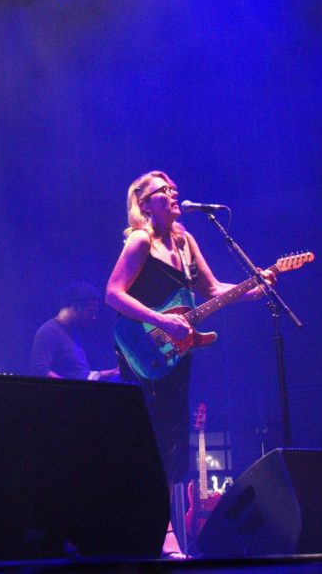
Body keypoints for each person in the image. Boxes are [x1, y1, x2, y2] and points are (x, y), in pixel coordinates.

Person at [104, 170, 274, 555]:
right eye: (165, 190)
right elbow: (113, 294)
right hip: (142, 346)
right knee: (153, 438)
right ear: (145, 203)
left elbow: (213, 291)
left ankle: (167, 531)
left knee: (175, 441)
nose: (174, 193)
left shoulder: (185, 241)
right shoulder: (140, 243)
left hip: (177, 351)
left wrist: (256, 287)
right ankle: (161, 533)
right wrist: (161, 319)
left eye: (174, 188)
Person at [28, 281, 119, 381]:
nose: (94, 317)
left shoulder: (72, 332)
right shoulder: (49, 331)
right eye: (90, 311)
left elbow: (79, 376)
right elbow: (39, 370)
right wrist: (71, 389)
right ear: (76, 307)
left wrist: (113, 372)